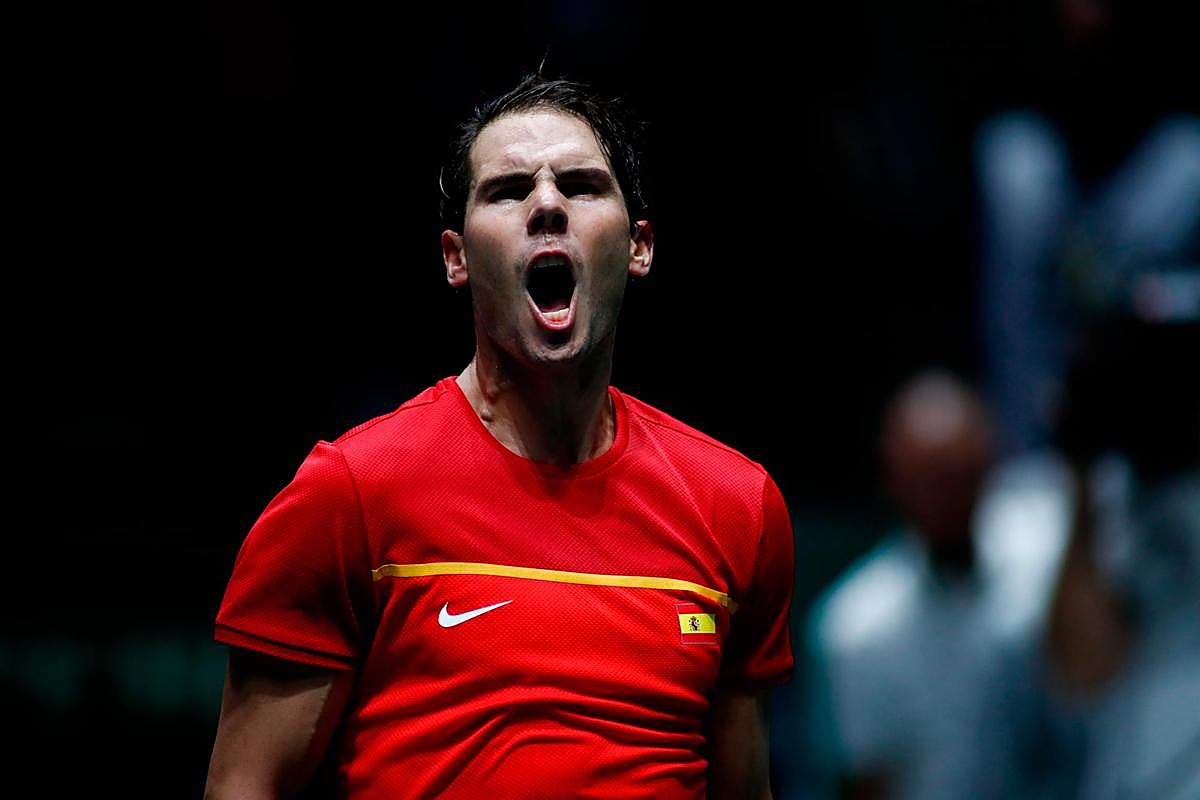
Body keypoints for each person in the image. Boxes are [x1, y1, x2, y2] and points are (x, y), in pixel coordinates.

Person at [203, 71, 795, 799]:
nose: (547, 205)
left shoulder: (736, 504)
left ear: (639, 246)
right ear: (456, 257)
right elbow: (243, 786)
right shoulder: (349, 492)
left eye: (581, 185)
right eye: (509, 191)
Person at [803, 370, 1071, 799]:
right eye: (928, 481)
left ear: (990, 464)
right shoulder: (855, 628)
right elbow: (866, 783)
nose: (944, 499)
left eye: (960, 477)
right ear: (893, 480)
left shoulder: (1051, 549)